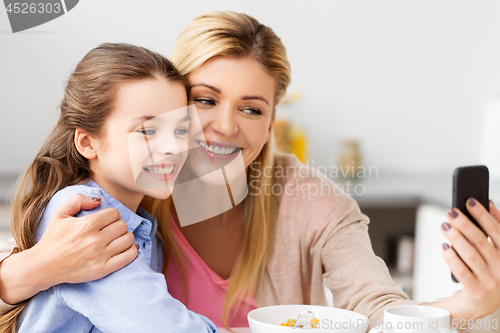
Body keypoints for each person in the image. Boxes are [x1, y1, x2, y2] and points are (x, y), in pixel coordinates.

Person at [1, 11, 500, 331]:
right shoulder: (128, 191)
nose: (223, 127)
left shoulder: (309, 200)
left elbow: (373, 308)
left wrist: (470, 304)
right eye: (205, 100)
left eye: (251, 109)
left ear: (271, 124)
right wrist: (25, 272)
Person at [0, 43, 217, 333]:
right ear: (88, 142)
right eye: (148, 131)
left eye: (180, 130)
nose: (173, 148)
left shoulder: (138, 219)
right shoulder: (87, 216)